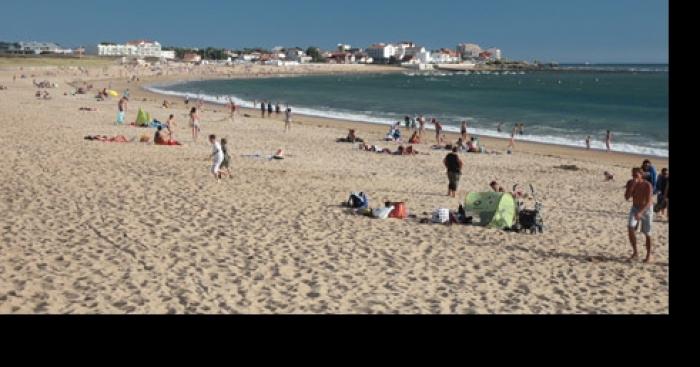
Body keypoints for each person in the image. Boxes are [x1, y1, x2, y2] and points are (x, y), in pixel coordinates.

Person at [625, 167, 654, 263]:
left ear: (641, 175)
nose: (634, 177)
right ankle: (635, 253)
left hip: (646, 209)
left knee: (647, 233)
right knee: (630, 227)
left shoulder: (647, 185)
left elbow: (649, 201)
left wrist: (641, 212)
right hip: (635, 207)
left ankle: (649, 255)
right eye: (632, 175)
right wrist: (632, 186)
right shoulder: (630, 183)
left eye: (636, 175)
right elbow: (626, 197)